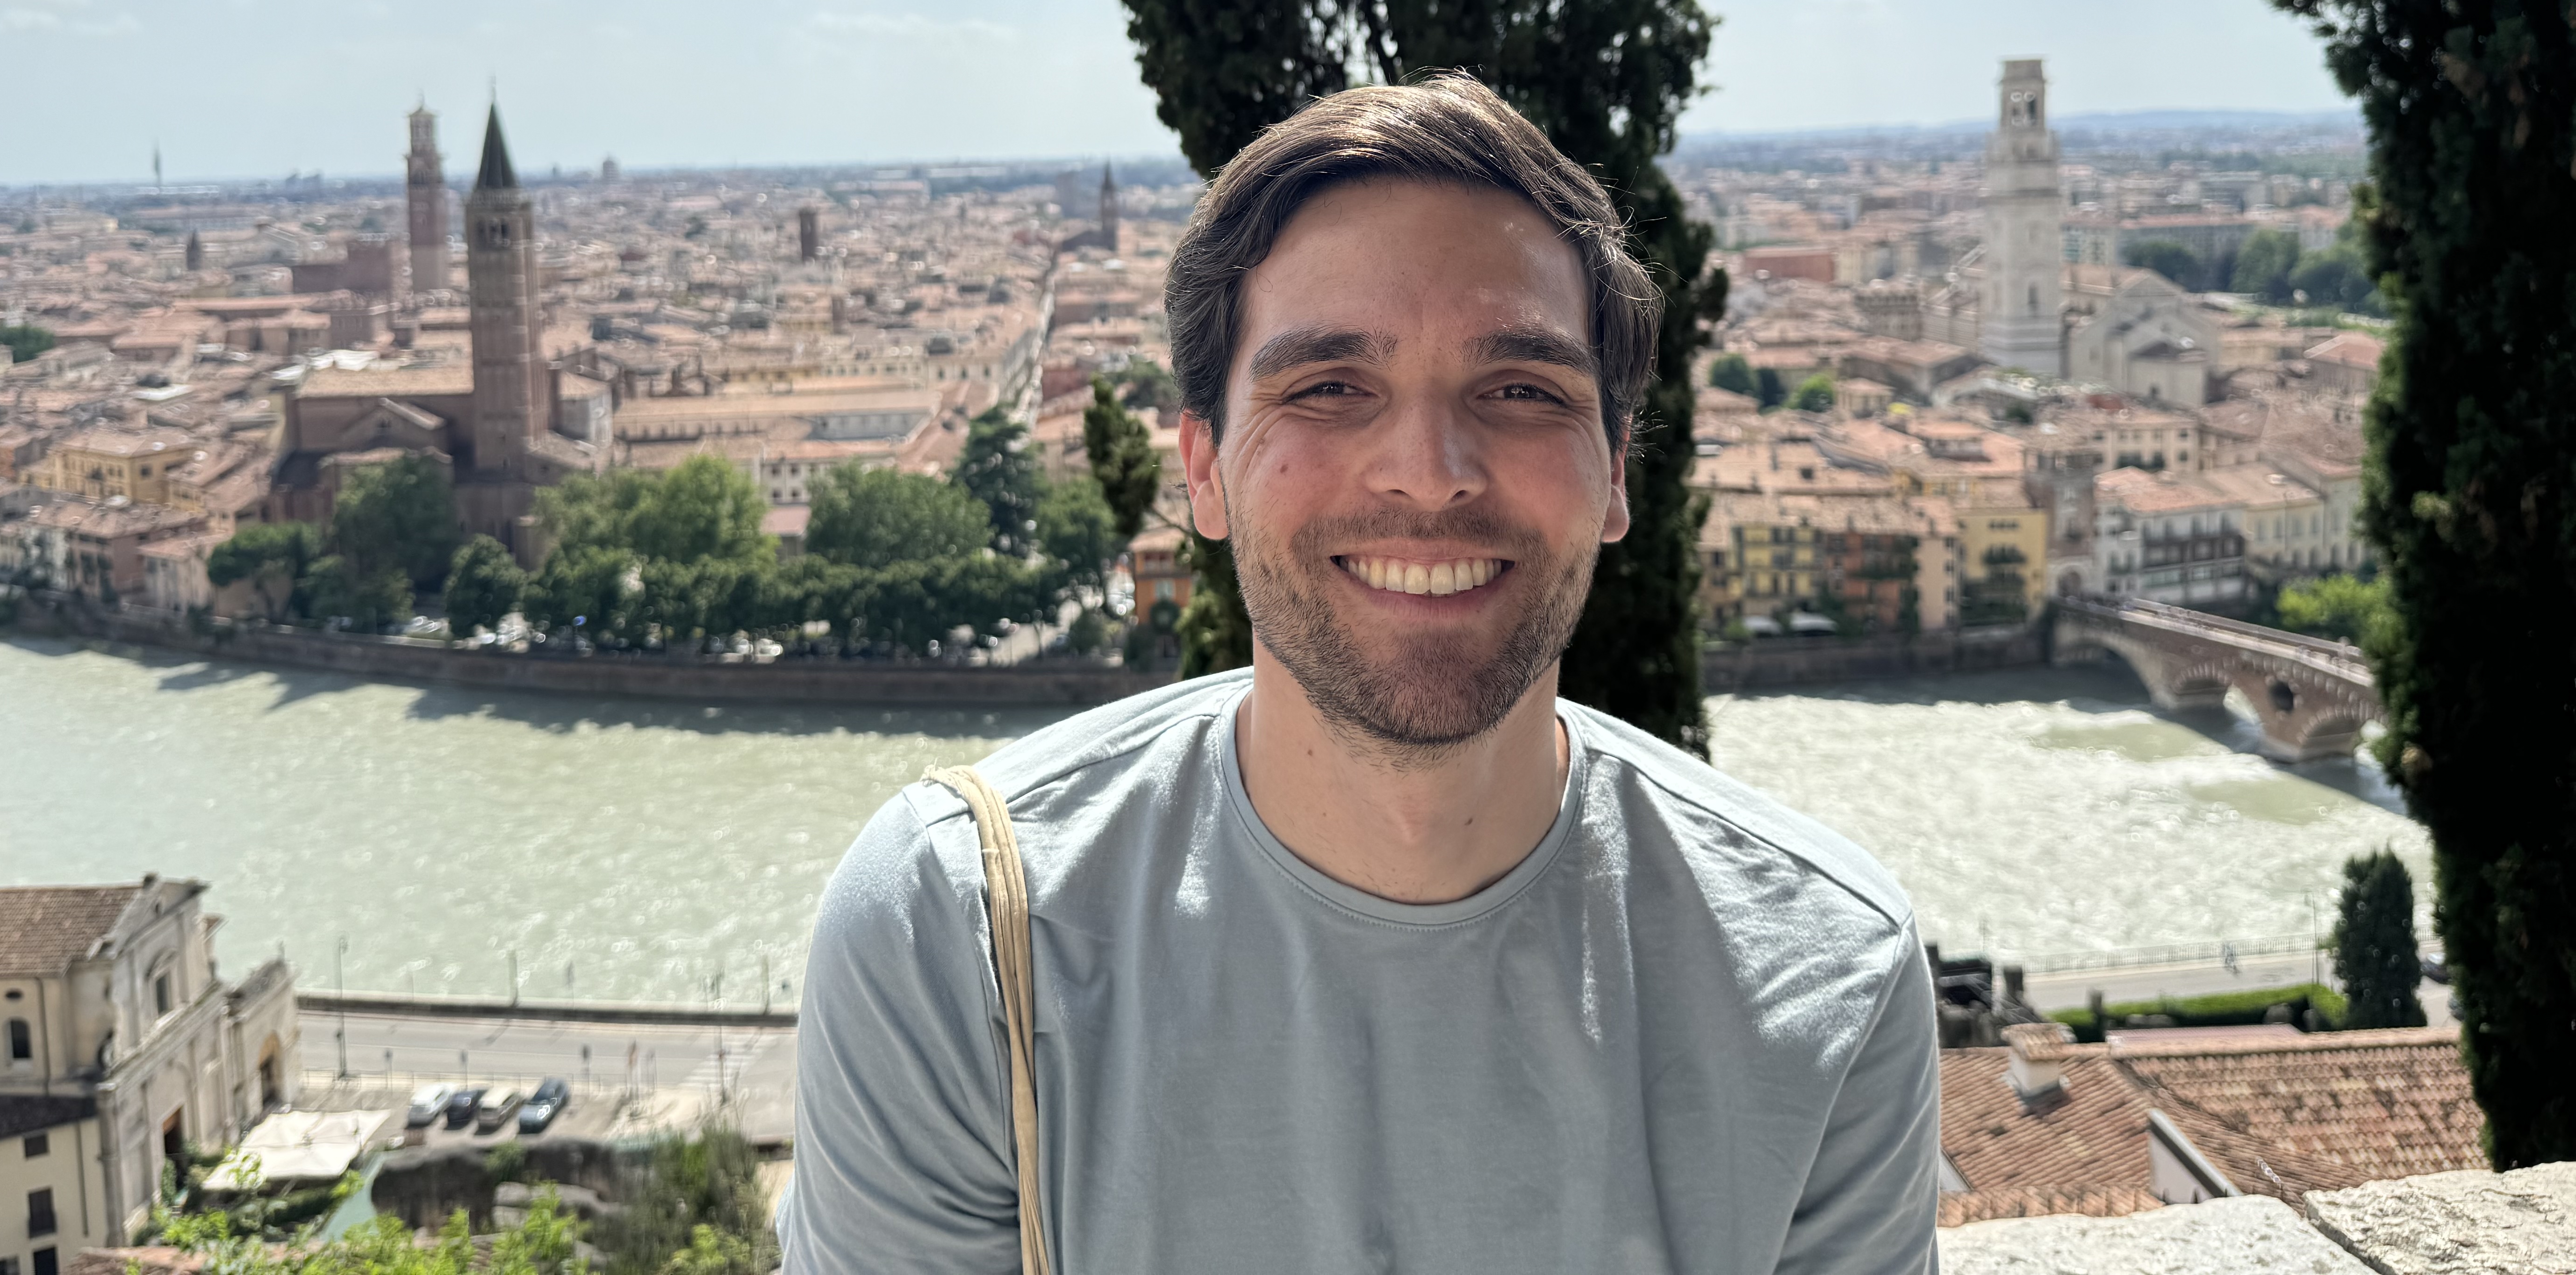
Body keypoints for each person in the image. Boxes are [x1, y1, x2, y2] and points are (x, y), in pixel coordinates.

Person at [784, 77, 1940, 1274]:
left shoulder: (1831, 977)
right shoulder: (957, 933)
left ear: (1614, 476)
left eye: (1521, 390)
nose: (1428, 474)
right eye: (1329, 387)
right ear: (1207, 471)